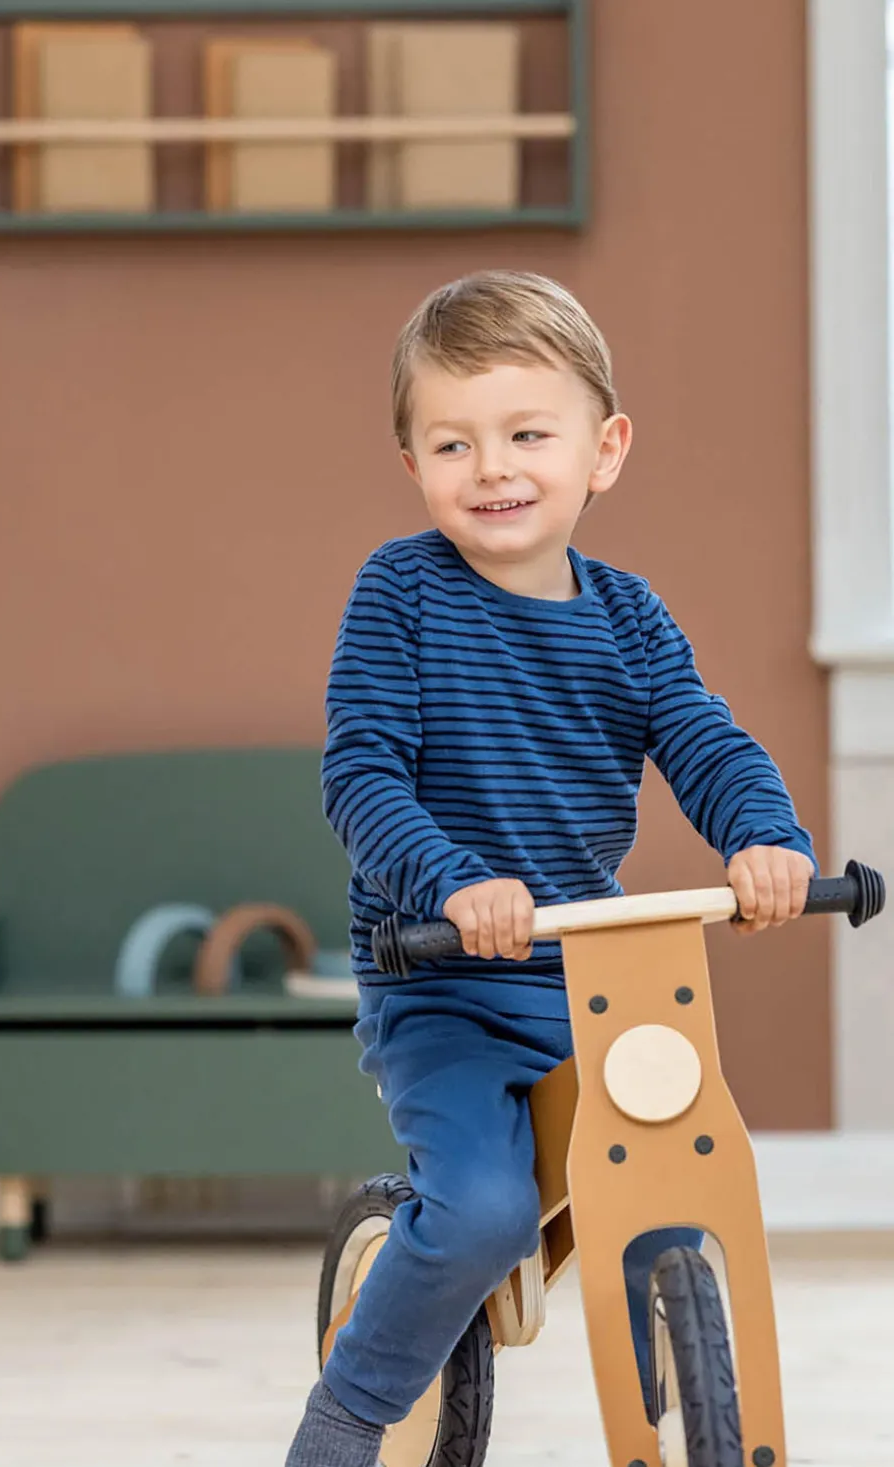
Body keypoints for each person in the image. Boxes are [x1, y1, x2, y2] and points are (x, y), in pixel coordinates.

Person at [285, 270, 816, 1467]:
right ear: (412, 462)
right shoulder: (400, 594)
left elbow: (702, 740)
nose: (492, 468)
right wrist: (450, 881)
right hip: (441, 981)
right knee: (482, 1213)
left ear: (601, 450)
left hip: (587, 977)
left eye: (527, 434)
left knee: (680, 1161)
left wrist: (763, 840)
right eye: (452, 443)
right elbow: (360, 775)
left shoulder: (628, 617)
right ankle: (348, 1414)